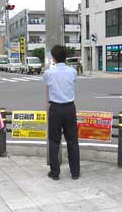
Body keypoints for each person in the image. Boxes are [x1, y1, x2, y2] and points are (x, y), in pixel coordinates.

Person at [43, 45, 80, 180]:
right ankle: (75, 172)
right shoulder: (72, 71)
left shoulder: (49, 73)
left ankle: (55, 173)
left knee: (54, 141)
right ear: (66, 57)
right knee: (72, 141)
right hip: (70, 108)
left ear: (53, 58)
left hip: (55, 108)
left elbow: (47, 84)